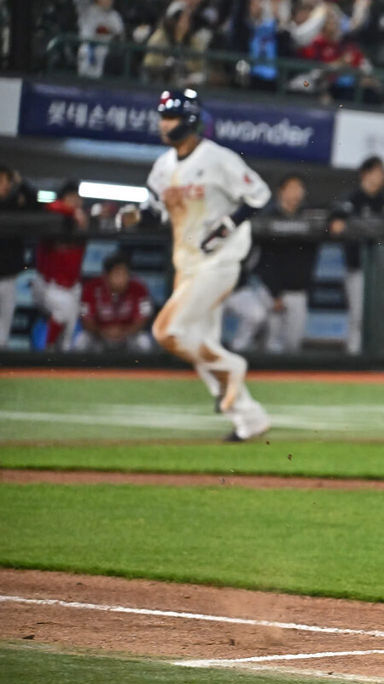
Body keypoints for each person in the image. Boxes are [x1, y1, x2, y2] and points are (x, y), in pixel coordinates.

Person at [121, 89, 271, 441]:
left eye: (170, 117)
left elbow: (259, 194)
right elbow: (152, 209)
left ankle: (233, 367)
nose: (164, 123)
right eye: (162, 116)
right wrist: (130, 216)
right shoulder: (164, 166)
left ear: (188, 120)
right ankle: (249, 419)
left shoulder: (218, 158)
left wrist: (229, 224)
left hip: (219, 261)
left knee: (167, 332)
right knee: (199, 341)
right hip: (186, 264)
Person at [329, 156, 384, 356]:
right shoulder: (350, 199)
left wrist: (360, 226)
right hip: (357, 267)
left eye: (382, 173)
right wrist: (372, 228)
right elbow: (335, 227)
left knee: (381, 316)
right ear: (364, 174)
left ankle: (379, 357)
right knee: (358, 315)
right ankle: (354, 356)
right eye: (375, 172)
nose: (379, 177)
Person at [253, 173, 316, 353]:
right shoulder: (267, 216)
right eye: (291, 188)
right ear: (281, 191)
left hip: (298, 292)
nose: (296, 193)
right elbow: (263, 260)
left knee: (293, 345)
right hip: (270, 292)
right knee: (269, 345)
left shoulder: (309, 217)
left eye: (299, 189)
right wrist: (274, 293)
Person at [33, 180, 89, 351]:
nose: (75, 200)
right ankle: (48, 351)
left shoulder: (82, 220)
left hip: (71, 285)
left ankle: (59, 365)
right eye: (70, 197)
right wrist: (73, 211)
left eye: (77, 197)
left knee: (69, 326)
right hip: (48, 283)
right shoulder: (54, 214)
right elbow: (52, 206)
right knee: (62, 313)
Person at [75, 252, 153, 352]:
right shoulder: (91, 288)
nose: (122, 279)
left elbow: (143, 318)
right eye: (117, 274)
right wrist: (103, 332)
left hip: (128, 336)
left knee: (143, 341)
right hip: (99, 336)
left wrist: (124, 332)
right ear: (106, 276)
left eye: (125, 274)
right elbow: (86, 319)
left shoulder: (139, 288)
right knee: (82, 340)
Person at [0, 166, 38, 348]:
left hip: (8, 276)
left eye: (7, 181)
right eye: (2, 180)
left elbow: (34, 201)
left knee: (3, 331)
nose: (5, 185)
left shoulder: (15, 203)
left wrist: (20, 181)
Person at [76, 0, 125, 78]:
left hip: (105, 53)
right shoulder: (86, 10)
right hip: (87, 50)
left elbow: (120, 36)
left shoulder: (114, 16)